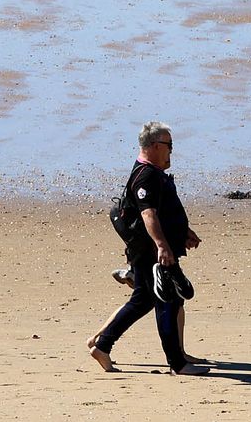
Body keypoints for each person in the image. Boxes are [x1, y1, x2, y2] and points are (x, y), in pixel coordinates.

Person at [89, 122, 205, 376]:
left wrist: (183, 231)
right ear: (154, 146)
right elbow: (148, 214)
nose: (172, 151)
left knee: (143, 300)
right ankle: (177, 363)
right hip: (151, 252)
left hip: (151, 249)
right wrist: (162, 246)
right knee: (168, 301)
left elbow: (163, 210)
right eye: (169, 145)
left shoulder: (152, 172)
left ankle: (103, 345)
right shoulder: (146, 175)